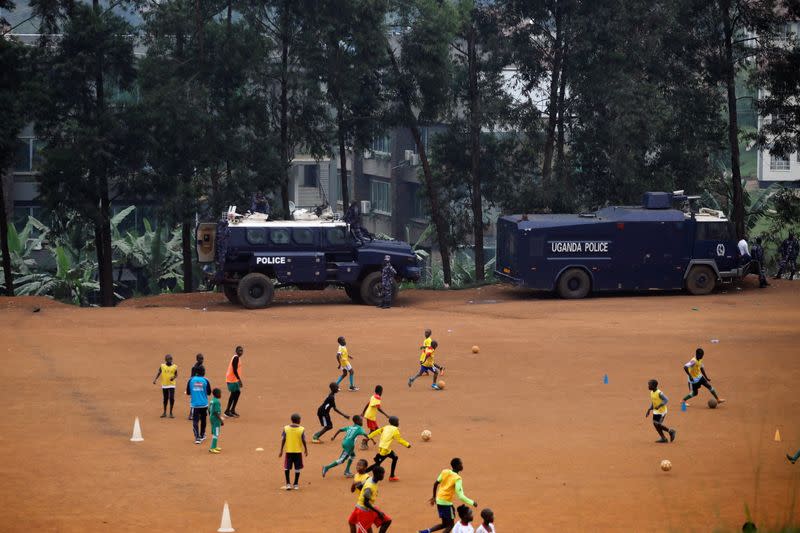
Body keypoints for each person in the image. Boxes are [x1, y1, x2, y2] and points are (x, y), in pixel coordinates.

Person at [419, 458, 477, 533]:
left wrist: (434, 497)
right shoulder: (457, 478)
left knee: (445, 524)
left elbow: (435, 483)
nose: (462, 465)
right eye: (461, 464)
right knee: (450, 525)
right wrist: (472, 502)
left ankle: (426, 531)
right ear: (457, 466)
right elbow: (461, 496)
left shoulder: (445, 471)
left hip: (439, 500)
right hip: (446, 503)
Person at [347, 465, 392, 533]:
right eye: (382, 474)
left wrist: (363, 493)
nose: (383, 475)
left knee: (387, 521)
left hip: (361, 506)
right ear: (377, 474)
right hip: (364, 511)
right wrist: (378, 512)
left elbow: (359, 486)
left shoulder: (369, 479)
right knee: (362, 530)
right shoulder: (369, 487)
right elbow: (366, 503)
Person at [366, 415, 411, 481]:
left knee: (395, 457)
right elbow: (399, 440)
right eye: (398, 421)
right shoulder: (395, 430)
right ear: (395, 423)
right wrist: (407, 444)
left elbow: (377, 431)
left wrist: (369, 436)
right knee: (377, 464)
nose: (398, 423)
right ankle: (363, 473)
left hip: (383, 448)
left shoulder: (386, 427)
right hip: (384, 450)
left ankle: (392, 476)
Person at [279, 413, 308, 490]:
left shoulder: (286, 428)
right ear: (298, 420)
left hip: (288, 451)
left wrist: (281, 450)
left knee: (287, 467)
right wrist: (306, 449)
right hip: (298, 452)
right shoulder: (301, 429)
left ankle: (288, 484)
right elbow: (303, 440)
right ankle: (295, 484)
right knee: (297, 468)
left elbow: (283, 439)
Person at [645, 379, 676, 443]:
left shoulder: (659, 393)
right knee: (655, 424)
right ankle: (663, 438)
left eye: (649, 385)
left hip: (662, 411)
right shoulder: (651, 392)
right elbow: (653, 402)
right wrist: (649, 409)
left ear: (653, 386)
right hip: (656, 411)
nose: (648, 386)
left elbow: (666, 400)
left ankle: (670, 431)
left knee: (657, 424)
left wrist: (659, 406)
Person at [187, 367, 211, 444]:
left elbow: (188, 392)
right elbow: (209, 392)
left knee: (195, 420)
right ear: (203, 372)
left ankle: (197, 437)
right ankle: (202, 434)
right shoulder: (206, 380)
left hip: (195, 404)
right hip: (204, 404)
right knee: (203, 420)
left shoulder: (191, 380)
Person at [360, 385, 390, 450]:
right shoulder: (377, 397)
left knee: (376, 429)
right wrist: (386, 415)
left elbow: (368, 404)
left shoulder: (373, 396)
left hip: (370, 415)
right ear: (380, 391)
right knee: (373, 431)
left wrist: (363, 412)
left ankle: (384, 441)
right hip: (370, 416)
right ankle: (364, 441)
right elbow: (378, 408)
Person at [152, 354, 178, 418]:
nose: (170, 360)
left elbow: (176, 374)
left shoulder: (174, 366)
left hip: (172, 385)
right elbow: (159, 372)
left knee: (171, 398)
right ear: (166, 360)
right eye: (169, 359)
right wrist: (155, 379)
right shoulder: (162, 366)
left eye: (171, 359)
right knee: (165, 398)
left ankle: (171, 412)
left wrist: (173, 378)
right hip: (165, 384)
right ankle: (164, 412)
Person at [224, 346, 244, 417]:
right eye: (239, 351)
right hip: (231, 379)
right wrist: (239, 380)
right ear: (236, 351)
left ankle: (232, 410)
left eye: (241, 351)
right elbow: (235, 370)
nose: (241, 352)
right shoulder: (236, 358)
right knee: (234, 394)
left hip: (233, 379)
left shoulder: (236, 358)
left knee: (237, 392)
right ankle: (227, 411)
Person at [188, 353, 205, 420]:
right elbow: (191, 377)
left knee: (199, 399)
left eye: (202, 358)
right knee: (194, 399)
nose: (202, 360)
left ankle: (199, 414)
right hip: (195, 385)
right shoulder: (194, 367)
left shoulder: (202, 367)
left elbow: (203, 376)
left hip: (200, 385)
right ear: (197, 359)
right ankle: (191, 415)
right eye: (200, 358)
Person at [209, 388, 224, 454]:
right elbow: (216, 412)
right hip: (216, 419)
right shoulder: (217, 401)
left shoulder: (212, 400)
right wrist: (221, 420)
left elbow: (209, 409)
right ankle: (212, 448)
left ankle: (214, 446)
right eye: (220, 393)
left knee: (215, 432)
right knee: (216, 433)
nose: (221, 394)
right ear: (217, 394)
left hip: (212, 417)